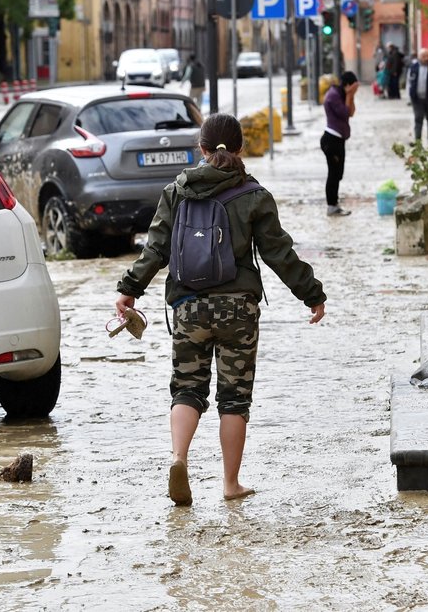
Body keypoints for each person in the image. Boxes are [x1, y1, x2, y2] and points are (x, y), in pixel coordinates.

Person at [115, 113, 327, 506]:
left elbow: (156, 249)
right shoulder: (253, 195)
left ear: (201, 148)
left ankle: (179, 458)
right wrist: (311, 293)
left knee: (187, 389)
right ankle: (230, 484)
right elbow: (278, 253)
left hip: (188, 306)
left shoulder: (177, 191)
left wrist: (130, 289)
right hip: (238, 311)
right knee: (234, 399)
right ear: (241, 148)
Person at [319, 71, 358, 217]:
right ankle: (331, 206)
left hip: (339, 140)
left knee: (338, 173)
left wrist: (351, 95)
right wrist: (349, 95)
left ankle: (334, 204)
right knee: (333, 174)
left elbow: (352, 112)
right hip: (331, 140)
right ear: (347, 85)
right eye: (353, 87)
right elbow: (345, 113)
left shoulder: (341, 94)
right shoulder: (334, 96)